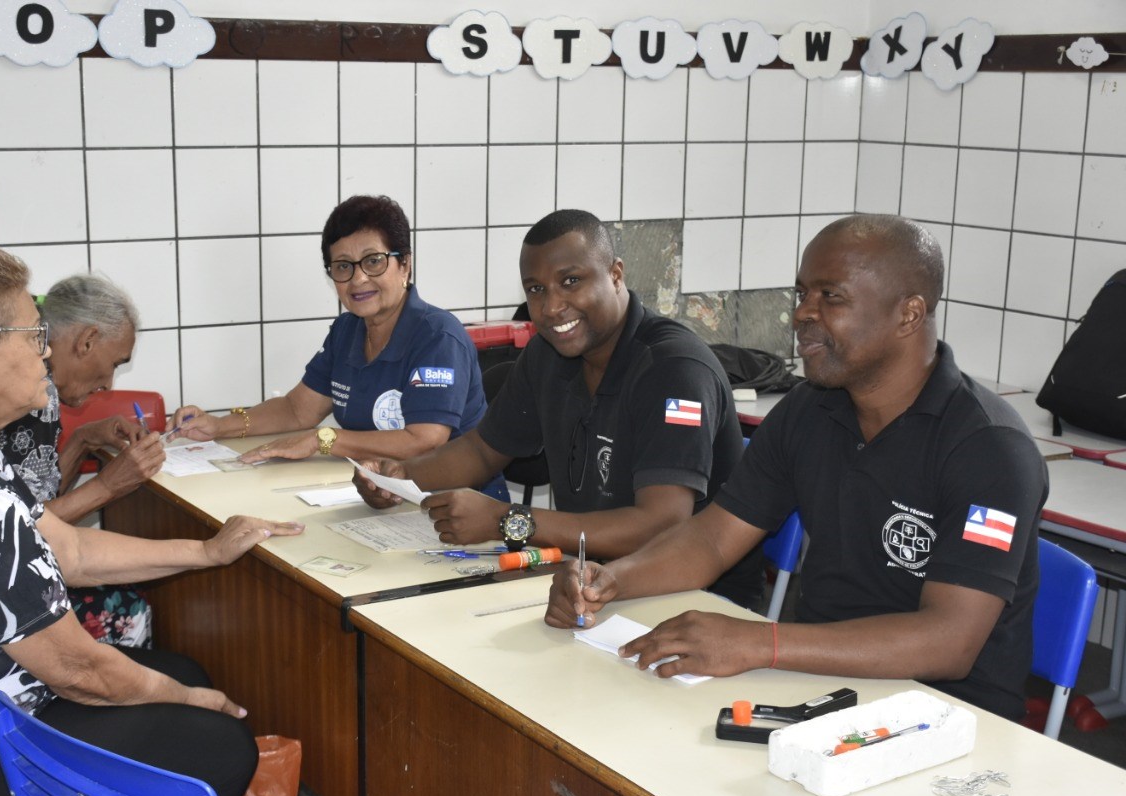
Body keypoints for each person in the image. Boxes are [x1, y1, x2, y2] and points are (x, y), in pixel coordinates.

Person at [0, 245, 304, 796]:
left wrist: (207, 551)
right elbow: (75, 670)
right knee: (219, 746)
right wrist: (186, 701)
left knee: (183, 672)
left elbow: (70, 550)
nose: (45, 351)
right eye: (33, 334)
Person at [546, 214, 1046, 721]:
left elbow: (949, 642)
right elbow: (713, 539)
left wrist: (760, 643)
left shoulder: (990, 449)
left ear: (909, 315)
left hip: (950, 717)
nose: (802, 313)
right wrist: (609, 580)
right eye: (803, 293)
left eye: (831, 296)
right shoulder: (811, 409)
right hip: (819, 682)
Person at [356, 209, 760, 609]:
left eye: (571, 281)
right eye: (536, 289)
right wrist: (399, 477)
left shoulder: (675, 370)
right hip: (585, 580)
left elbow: (661, 524)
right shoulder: (547, 354)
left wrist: (507, 519)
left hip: (692, 600)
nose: (551, 307)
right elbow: (481, 451)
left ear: (615, 274)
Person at [168, 195, 506, 498]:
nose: (358, 279)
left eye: (373, 261)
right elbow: (297, 410)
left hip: (458, 505)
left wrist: (323, 439)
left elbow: (424, 440)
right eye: (343, 266)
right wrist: (218, 425)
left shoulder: (438, 336)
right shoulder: (347, 329)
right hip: (378, 495)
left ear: (404, 263)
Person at [0, 273, 163, 648]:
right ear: (86, 340)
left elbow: (36, 500)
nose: (109, 384)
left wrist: (84, 439)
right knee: (127, 606)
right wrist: (108, 485)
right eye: (115, 363)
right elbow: (23, 532)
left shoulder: (37, 373)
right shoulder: (29, 391)